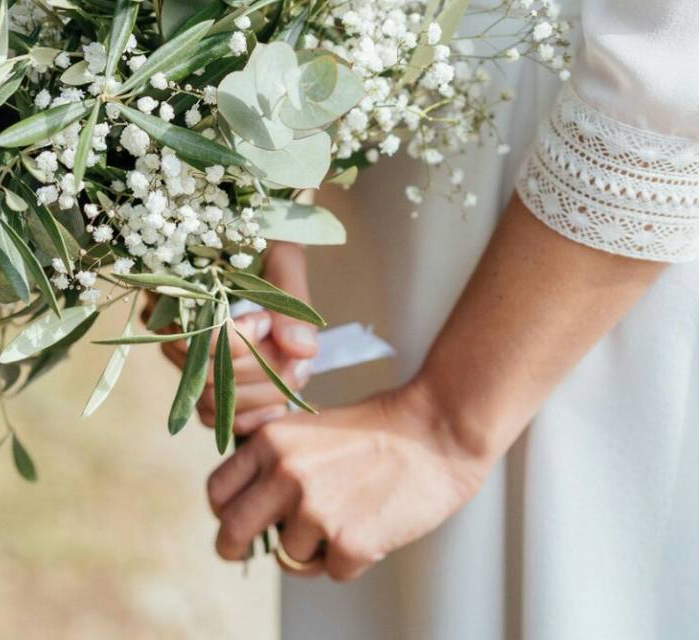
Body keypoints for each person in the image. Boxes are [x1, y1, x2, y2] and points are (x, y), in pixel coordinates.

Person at [161, 0, 699, 637]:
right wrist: (234, 210)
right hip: (389, 167)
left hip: (593, 257)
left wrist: (444, 422)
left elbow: (671, 67)